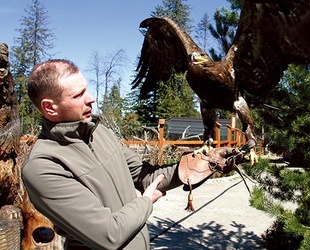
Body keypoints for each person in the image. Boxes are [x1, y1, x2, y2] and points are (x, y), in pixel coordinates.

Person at [21, 59, 239, 249]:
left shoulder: (100, 133)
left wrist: (205, 163)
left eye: (86, 89)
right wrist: (145, 202)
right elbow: (108, 234)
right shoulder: (43, 166)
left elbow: (145, 176)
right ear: (50, 107)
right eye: (78, 95)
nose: (91, 98)